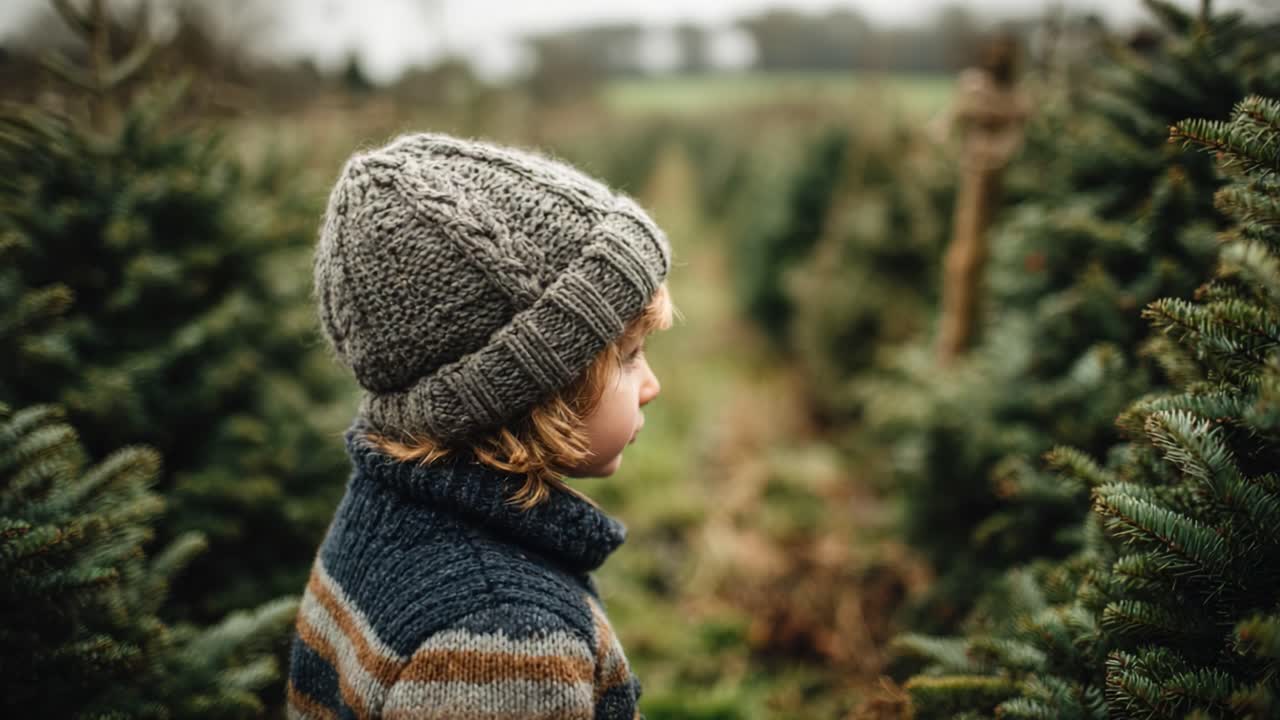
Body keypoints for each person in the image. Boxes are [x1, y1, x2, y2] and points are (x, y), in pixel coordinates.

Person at [287, 132, 674, 719]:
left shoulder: (386, 512)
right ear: (527, 392)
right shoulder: (501, 642)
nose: (652, 386)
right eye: (626, 356)